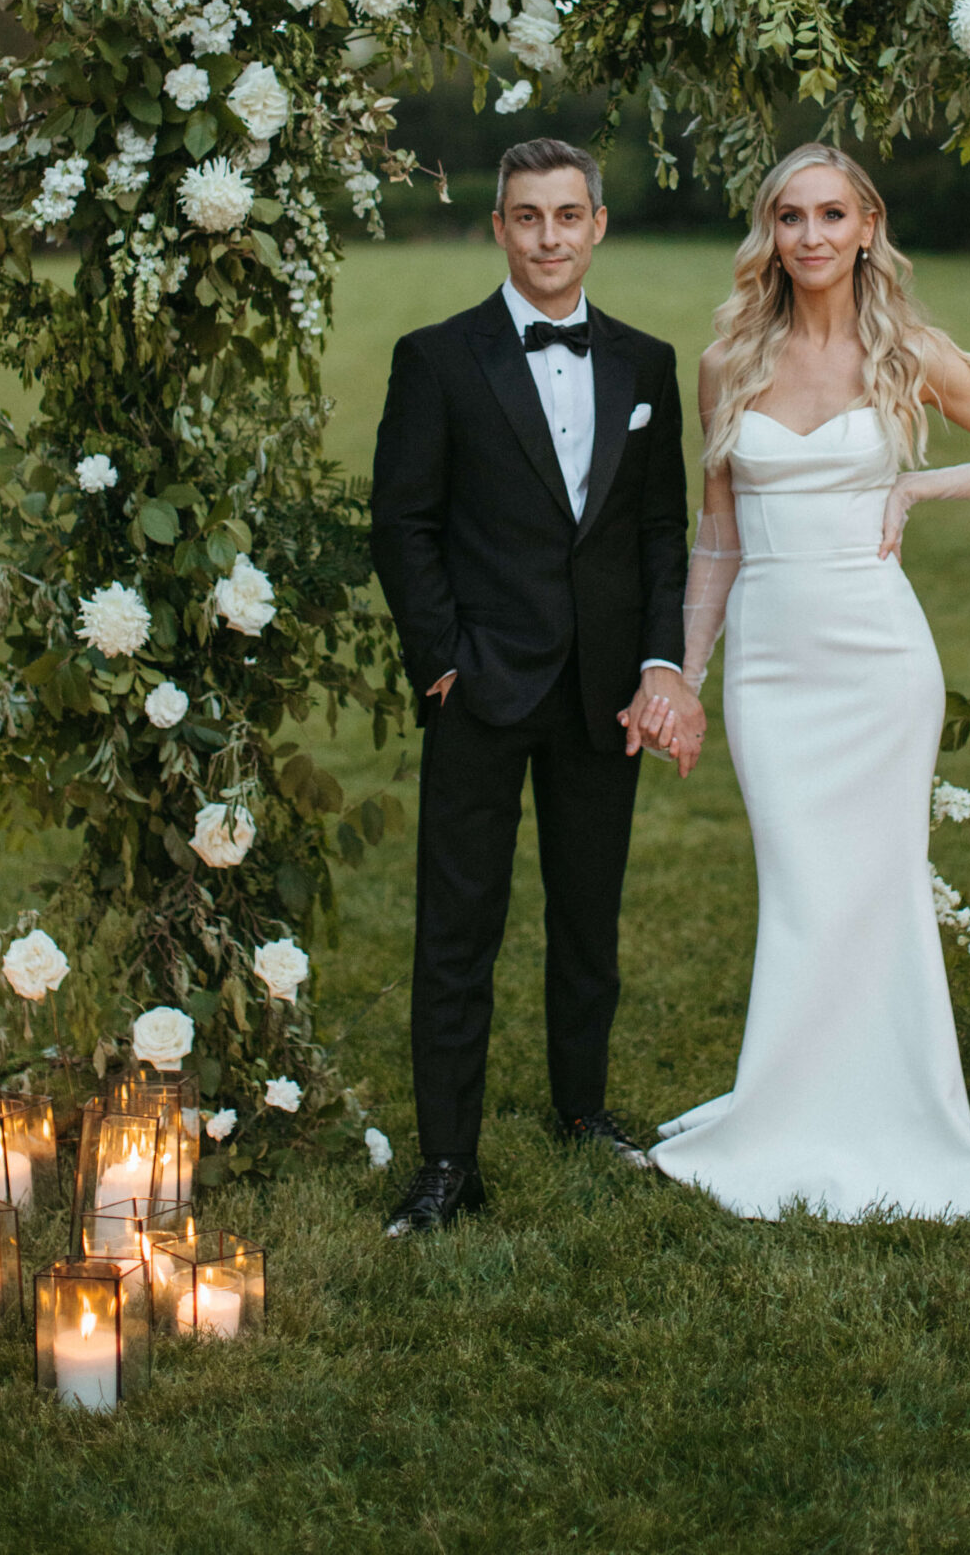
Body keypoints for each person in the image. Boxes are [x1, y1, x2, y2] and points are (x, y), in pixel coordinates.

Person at [650, 142, 970, 1221]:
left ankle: (894, 1112)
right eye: (790, 217)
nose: (812, 236)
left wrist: (919, 486)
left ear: (868, 225)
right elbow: (716, 540)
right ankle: (786, 1109)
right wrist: (686, 675)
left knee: (875, 890)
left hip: (880, 663)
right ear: (771, 235)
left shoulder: (910, 351)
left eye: (832, 214)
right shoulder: (728, 360)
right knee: (801, 889)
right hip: (773, 667)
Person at [370, 137, 700, 1235]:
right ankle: (447, 1157)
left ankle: (581, 1108)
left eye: (568, 215)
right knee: (458, 926)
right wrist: (442, 661)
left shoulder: (647, 364)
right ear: (498, 227)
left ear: (598, 225)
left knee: (588, 916)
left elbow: (661, 530)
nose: (549, 236)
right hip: (481, 683)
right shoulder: (439, 358)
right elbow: (403, 522)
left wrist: (660, 663)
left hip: (602, 691)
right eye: (527, 216)